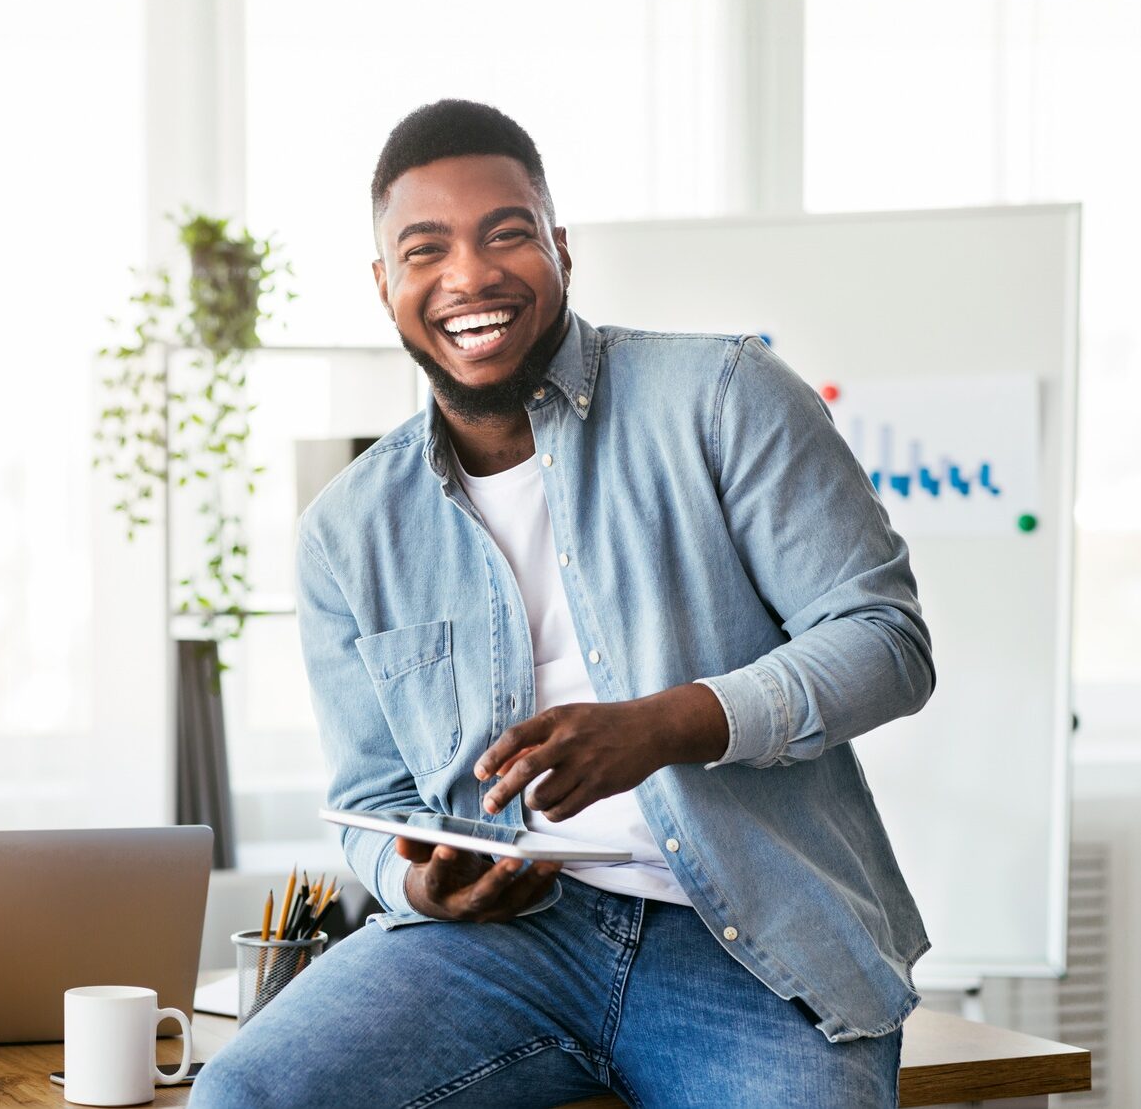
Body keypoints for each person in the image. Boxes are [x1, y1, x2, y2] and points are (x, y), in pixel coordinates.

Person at [191, 99, 934, 1109]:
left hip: (742, 944)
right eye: (425, 249)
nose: (469, 276)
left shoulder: (721, 397)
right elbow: (369, 800)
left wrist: (664, 725)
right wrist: (419, 882)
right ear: (385, 286)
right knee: (244, 1097)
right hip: (497, 945)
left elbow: (884, 641)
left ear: (559, 249)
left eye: (506, 233)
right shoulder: (346, 531)